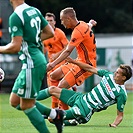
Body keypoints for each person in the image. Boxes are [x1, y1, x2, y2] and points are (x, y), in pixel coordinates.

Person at [0, 0, 63, 133]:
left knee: (27, 105)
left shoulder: (16, 16)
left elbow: (15, 46)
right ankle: (55, 114)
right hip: (34, 60)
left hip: (31, 63)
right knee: (15, 100)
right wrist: (32, 39)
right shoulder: (34, 10)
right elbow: (50, 32)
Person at [39, 60, 132, 132]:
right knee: (52, 89)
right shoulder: (108, 75)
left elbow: (120, 115)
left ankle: (72, 120)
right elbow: (90, 68)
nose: (115, 73)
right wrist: (74, 61)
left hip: (85, 110)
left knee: (52, 118)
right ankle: (29, 98)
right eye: (116, 71)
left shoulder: (121, 93)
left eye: (118, 73)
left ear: (123, 78)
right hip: (81, 98)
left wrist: (114, 124)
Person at [47, 7, 97, 90]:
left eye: (62, 20)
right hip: (78, 61)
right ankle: (70, 89)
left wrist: (53, 64)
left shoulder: (77, 32)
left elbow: (67, 51)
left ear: (68, 19)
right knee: (53, 76)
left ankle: (75, 101)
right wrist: (91, 23)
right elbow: (89, 25)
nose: (62, 23)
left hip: (86, 65)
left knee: (60, 88)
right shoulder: (83, 24)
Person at [40, 12, 69, 110]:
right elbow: (44, 49)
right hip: (51, 66)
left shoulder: (59, 33)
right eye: (46, 21)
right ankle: (55, 114)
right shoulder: (43, 34)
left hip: (60, 64)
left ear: (55, 22)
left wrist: (57, 54)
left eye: (50, 20)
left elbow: (67, 47)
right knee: (53, 92)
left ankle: (66, 113)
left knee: (61, 90)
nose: (48, 22)